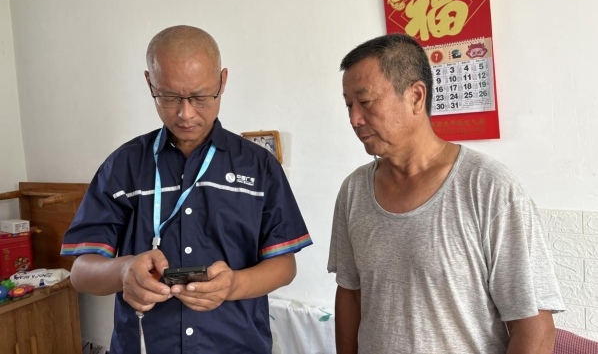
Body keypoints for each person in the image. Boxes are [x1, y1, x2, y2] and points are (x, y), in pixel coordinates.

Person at [61, 25, 312, 353]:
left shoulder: (259, 166)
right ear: (150, 82)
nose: (185, 113)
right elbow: (81, 272)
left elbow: (284, 265)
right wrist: (123, 271)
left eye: (200, 97)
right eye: (168, 97)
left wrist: (234, 285)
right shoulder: (123, 166)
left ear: (222, 81)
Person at [327, 33, 565, 354]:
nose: (354, 119)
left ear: (416, 96)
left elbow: (534, 327)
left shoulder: (488, 187)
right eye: (348, 105)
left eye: (366, 101)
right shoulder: (353, 190)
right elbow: (351, 293)